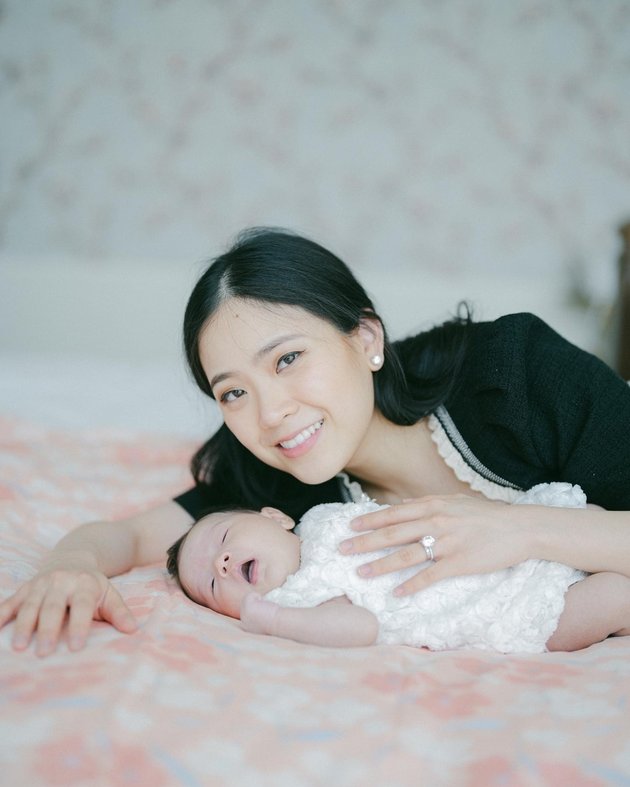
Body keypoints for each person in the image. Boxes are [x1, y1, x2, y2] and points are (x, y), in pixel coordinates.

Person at [2, 227, 630, 657]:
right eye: (233, 393)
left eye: (287, 359)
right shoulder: (280, 492)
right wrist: (68, 569)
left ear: (364, 339)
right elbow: (131, 535)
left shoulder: (514, 374)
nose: (271, 415)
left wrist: (523, 529)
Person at [165, 484, 630, 653]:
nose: (222, 564)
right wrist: (279, 621)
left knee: (585, 523)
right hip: (493, 611)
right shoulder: (297, 600)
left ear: (275, 517)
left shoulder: (320, 517)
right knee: (611, 598)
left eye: (224, 540)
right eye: (211, 583)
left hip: (494, 546)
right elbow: (360, 626)